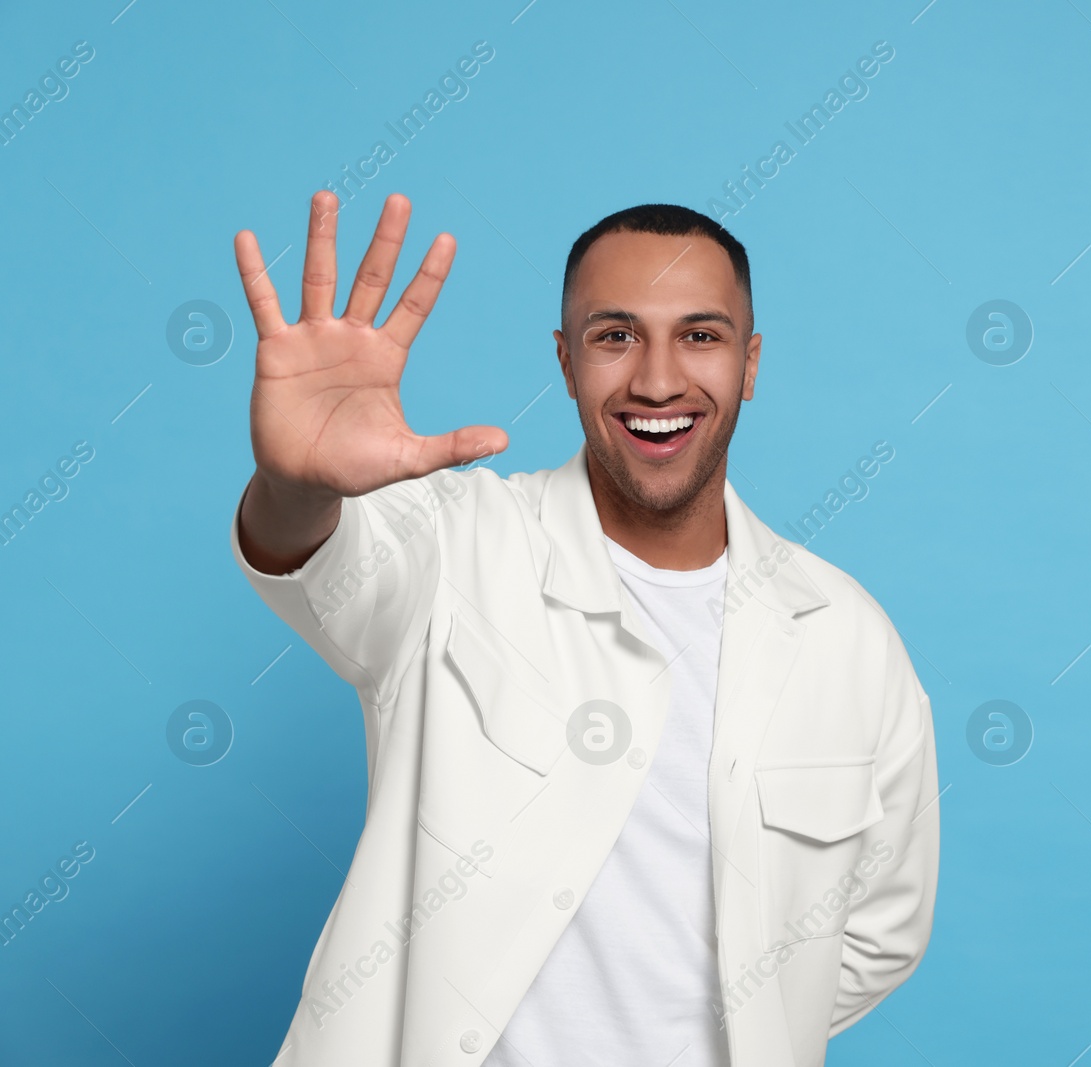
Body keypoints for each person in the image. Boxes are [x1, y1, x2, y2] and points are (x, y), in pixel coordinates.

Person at [229, 190, 939, 1066]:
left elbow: (876, 932)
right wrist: (300, 481)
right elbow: (309, 563)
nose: (657, 380)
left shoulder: (846, 638)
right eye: (615, 336)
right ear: (565, 362)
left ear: (751, 363)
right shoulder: (454, 543)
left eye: (701, 335)